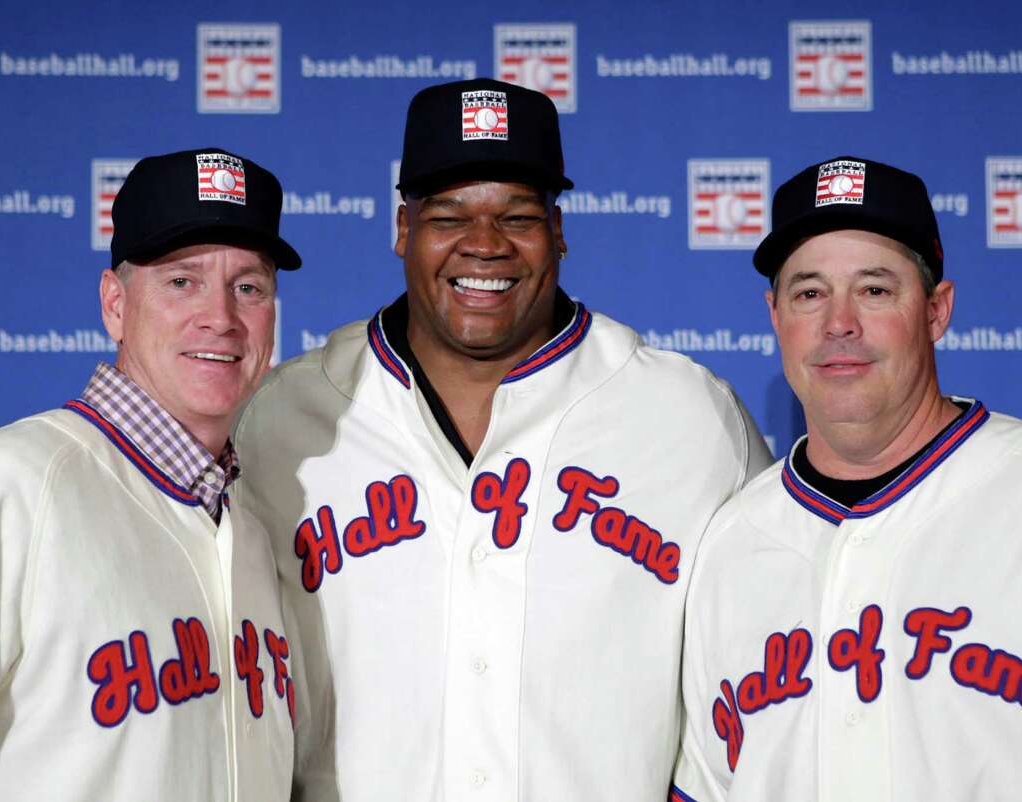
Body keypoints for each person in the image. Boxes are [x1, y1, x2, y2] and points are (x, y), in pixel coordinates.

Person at [232, 78, 772, 801]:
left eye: (517, 216)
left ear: (558, 231)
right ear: (402, 227)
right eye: (449, 215)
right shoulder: (279, 417)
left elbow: (765, 666)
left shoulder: (687, 415)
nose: (483, 245)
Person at [0, 148, 302, 801]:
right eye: (181, 281)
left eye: (248, 287)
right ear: (115, 304)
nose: (220, 317)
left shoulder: (253, 530)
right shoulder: (7, 486)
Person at [671, 156, 1022, 801]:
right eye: (810, 293)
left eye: (875, 289)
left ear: (936, 310)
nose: (840, 323)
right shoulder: (728, 542)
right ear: (775, 316)